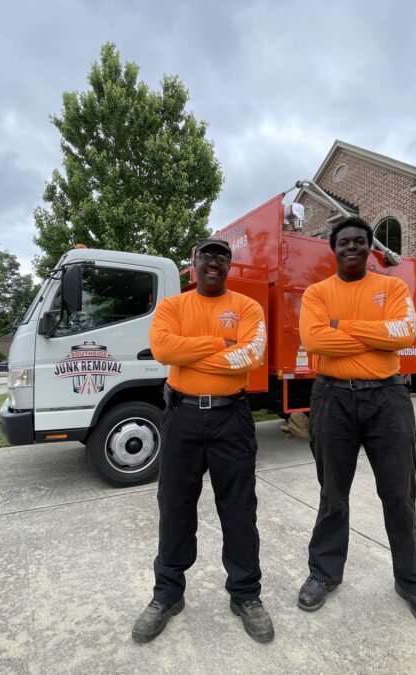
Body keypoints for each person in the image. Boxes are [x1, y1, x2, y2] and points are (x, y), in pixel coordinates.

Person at [296, 217, 416, 630]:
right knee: (332, 494)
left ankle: (413, 583)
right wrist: (374, 336)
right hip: (332, 398)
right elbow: (315, 340)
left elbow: (403, 334)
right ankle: (323, 574)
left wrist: (342, 327)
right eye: (344, 242)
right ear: (333, 249)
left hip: (388, 398)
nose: (352, 248)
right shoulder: (317, 293)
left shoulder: (392, 287)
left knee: (399, 494)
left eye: (360, 241)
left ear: (370, 248)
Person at [131, 238, 274, 644]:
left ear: (229, 265)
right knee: (174, 506)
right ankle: (166, 595)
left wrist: (188, 352)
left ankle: (246, 595)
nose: (214, 262)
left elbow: (252, 356)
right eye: (206, 256)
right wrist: (220, 344)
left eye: (222, 256)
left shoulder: (247, 307)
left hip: (233, 418)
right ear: (194, 264)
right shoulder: (174, 306)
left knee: (239, 508)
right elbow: (162, 349)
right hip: (182, 417)